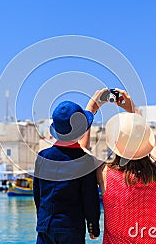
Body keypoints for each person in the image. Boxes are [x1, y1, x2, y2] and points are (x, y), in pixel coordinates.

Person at [82, 88, 156, 244]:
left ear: (115, 143)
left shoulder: (104, 174)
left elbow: (82, 152)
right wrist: (133, 110)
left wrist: (90, 109)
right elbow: (152, 142)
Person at [33, 99, 103, 244]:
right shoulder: (84, 161)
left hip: (45, 225)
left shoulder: (42, 157)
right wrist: (93, 226)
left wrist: (42, 219)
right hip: (71, 227)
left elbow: (37, 194)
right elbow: (90, 198)